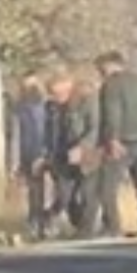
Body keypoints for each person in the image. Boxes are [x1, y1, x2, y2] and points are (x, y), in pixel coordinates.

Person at [95, 51, 137, 237]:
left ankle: (112, 226)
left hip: (125, 138)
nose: (100, 73)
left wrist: (113, 138)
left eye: (100, 69)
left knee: (107, 183)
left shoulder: (112, 84)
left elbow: (112, 112)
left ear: (109, 65)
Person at [41, 73, 103, 239]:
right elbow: (49, 133)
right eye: (54, 94)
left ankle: (86, 229)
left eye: (61, 93)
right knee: (64, 195)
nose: (58, 98)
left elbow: (94, 127)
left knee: (88, 193)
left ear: (70, 88)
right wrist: (46, 155)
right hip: (62, 155)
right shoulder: (51, 108)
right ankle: (72, 223)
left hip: (87, 153)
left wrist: (82, 147)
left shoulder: (87, 101)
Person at [14, 73, 49, 238]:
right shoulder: (21, 106)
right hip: (26, 151)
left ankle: (39, 222)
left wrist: (41, 153)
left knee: (37, 189)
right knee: (34, 189)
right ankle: (37, 222)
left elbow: (40, 130)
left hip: (35, 150)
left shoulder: (39, 105)